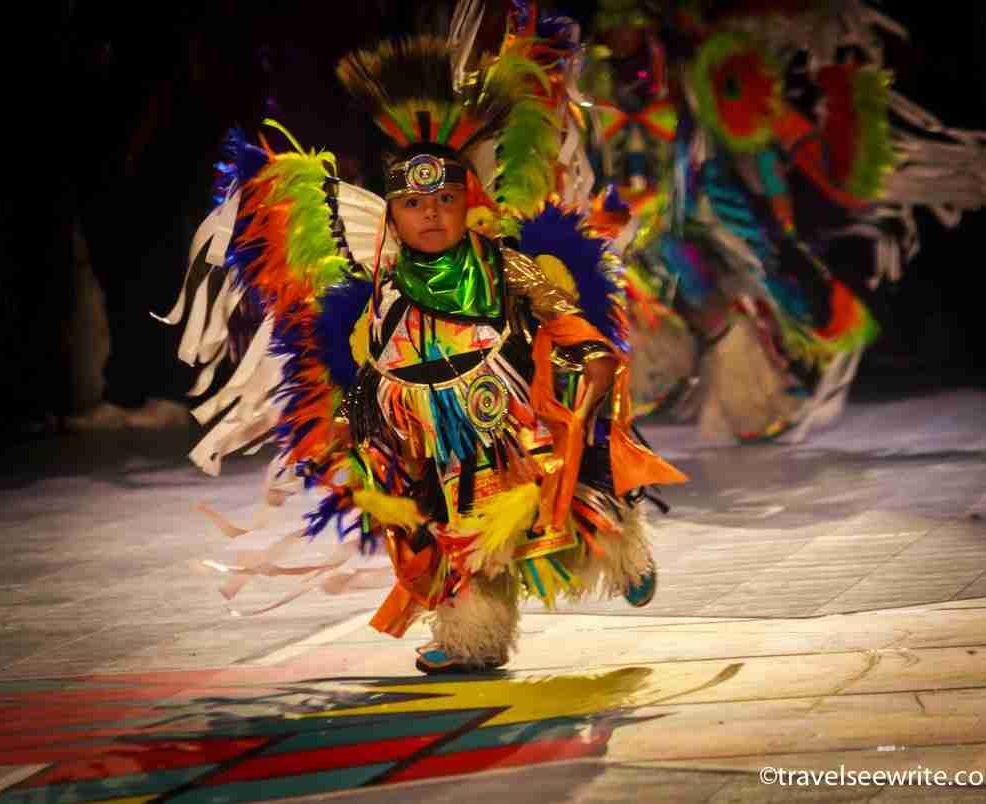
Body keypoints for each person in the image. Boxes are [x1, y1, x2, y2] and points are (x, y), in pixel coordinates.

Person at [166, 20, 686, 674]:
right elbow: (354, 371)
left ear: (468, 198)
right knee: (454, 539)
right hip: (431, 437)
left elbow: (561, 312)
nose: (432, 213)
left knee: (567, 498)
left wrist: (589, 354)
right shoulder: (375, 289)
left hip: (515, 416)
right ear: (391, 211)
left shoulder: (501, 263)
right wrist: (357, 444)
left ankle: (621, 552)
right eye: (414, 202)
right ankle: (474, 637)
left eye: (444, 198)